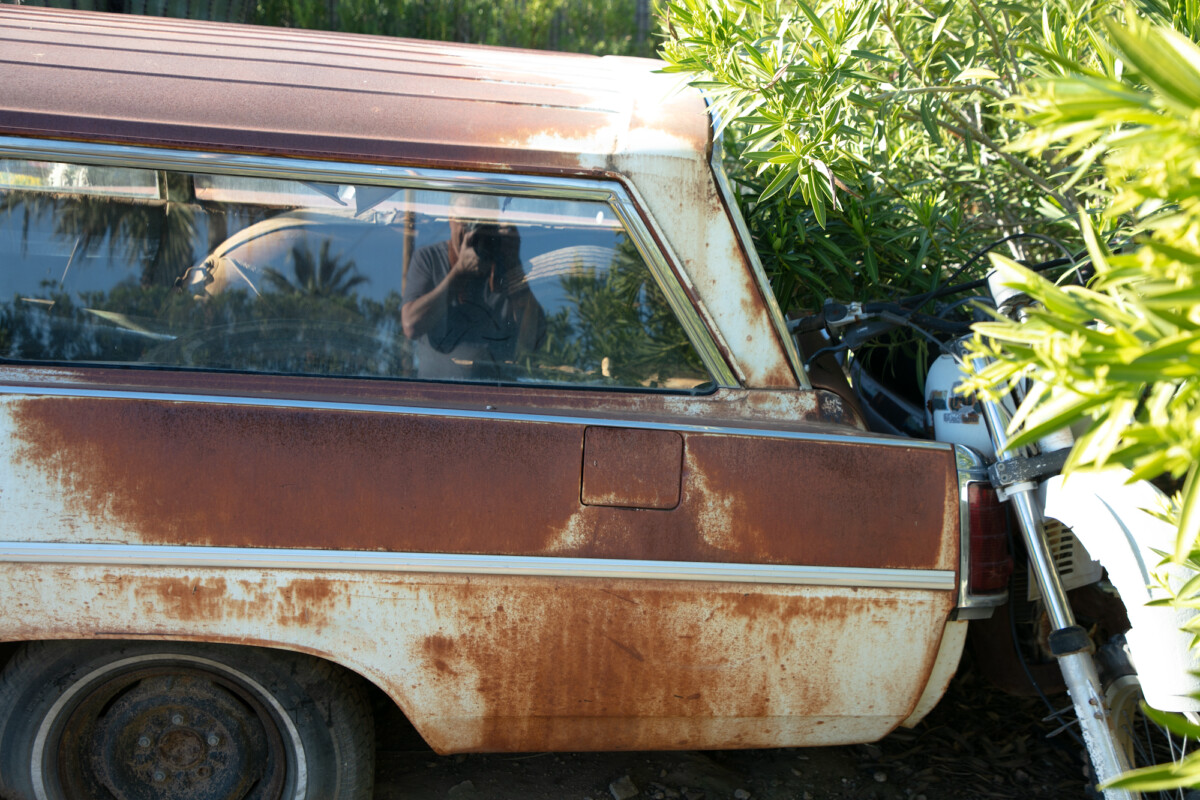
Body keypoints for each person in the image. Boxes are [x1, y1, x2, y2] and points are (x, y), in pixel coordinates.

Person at [401, 193, 544, 379]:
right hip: (436, 398)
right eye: (465, 221)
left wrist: (514, 265)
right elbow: (411, 325)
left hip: (499, 397)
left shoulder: (506, 266)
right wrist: (458, 273)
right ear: (450, 219)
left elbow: (534, 341)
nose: (473, 232)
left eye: (482, 224)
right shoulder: (429, 259)